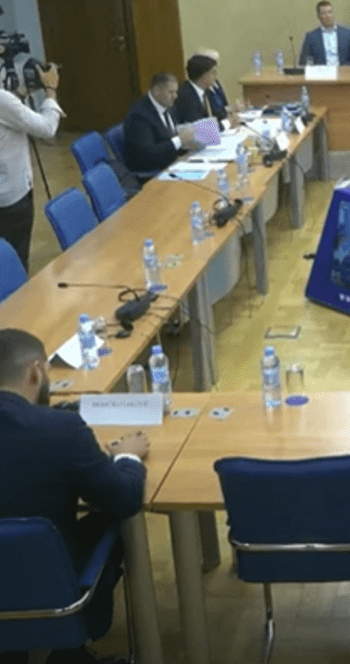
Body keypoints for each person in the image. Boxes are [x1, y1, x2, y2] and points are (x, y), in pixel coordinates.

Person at [0, 329, 148, 664]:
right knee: (109, 520)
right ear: (36, 371)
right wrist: (127, 457)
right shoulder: (61, 430)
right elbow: (124, 498)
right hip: (49, 586)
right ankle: (70, 652)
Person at [0, 55, 62, 271]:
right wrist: (50, 91)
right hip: (11, 196)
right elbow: (46, 128)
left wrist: (20, 94)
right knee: (16, 260)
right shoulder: (2, 100)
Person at [122, 72, 200, 181]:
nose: (175, 97)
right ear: (156, 91)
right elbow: (148, 154)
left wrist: (187, 143)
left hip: (174, 163)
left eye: (176, 92)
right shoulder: (139, 115)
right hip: (152, 171)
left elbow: (171, 136)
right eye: (171, 92)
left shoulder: (169, 106)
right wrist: (180, 140)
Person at [174, 54, 238, 130]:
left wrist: (231, 116)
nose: (216, 75)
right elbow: (199, 128)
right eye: (213, 72)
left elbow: (216, 114)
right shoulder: (186, 96)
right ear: (205, 76)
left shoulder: (205, 91)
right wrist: (227, 123)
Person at [298, 0, 350, 66]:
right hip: (321, 71)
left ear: (333, 14)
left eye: (330, 12)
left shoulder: (348, 34)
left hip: (343, 71)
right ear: (318, 16)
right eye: (324, 13)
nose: (328, 16)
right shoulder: (311, 37)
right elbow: (303, 63)